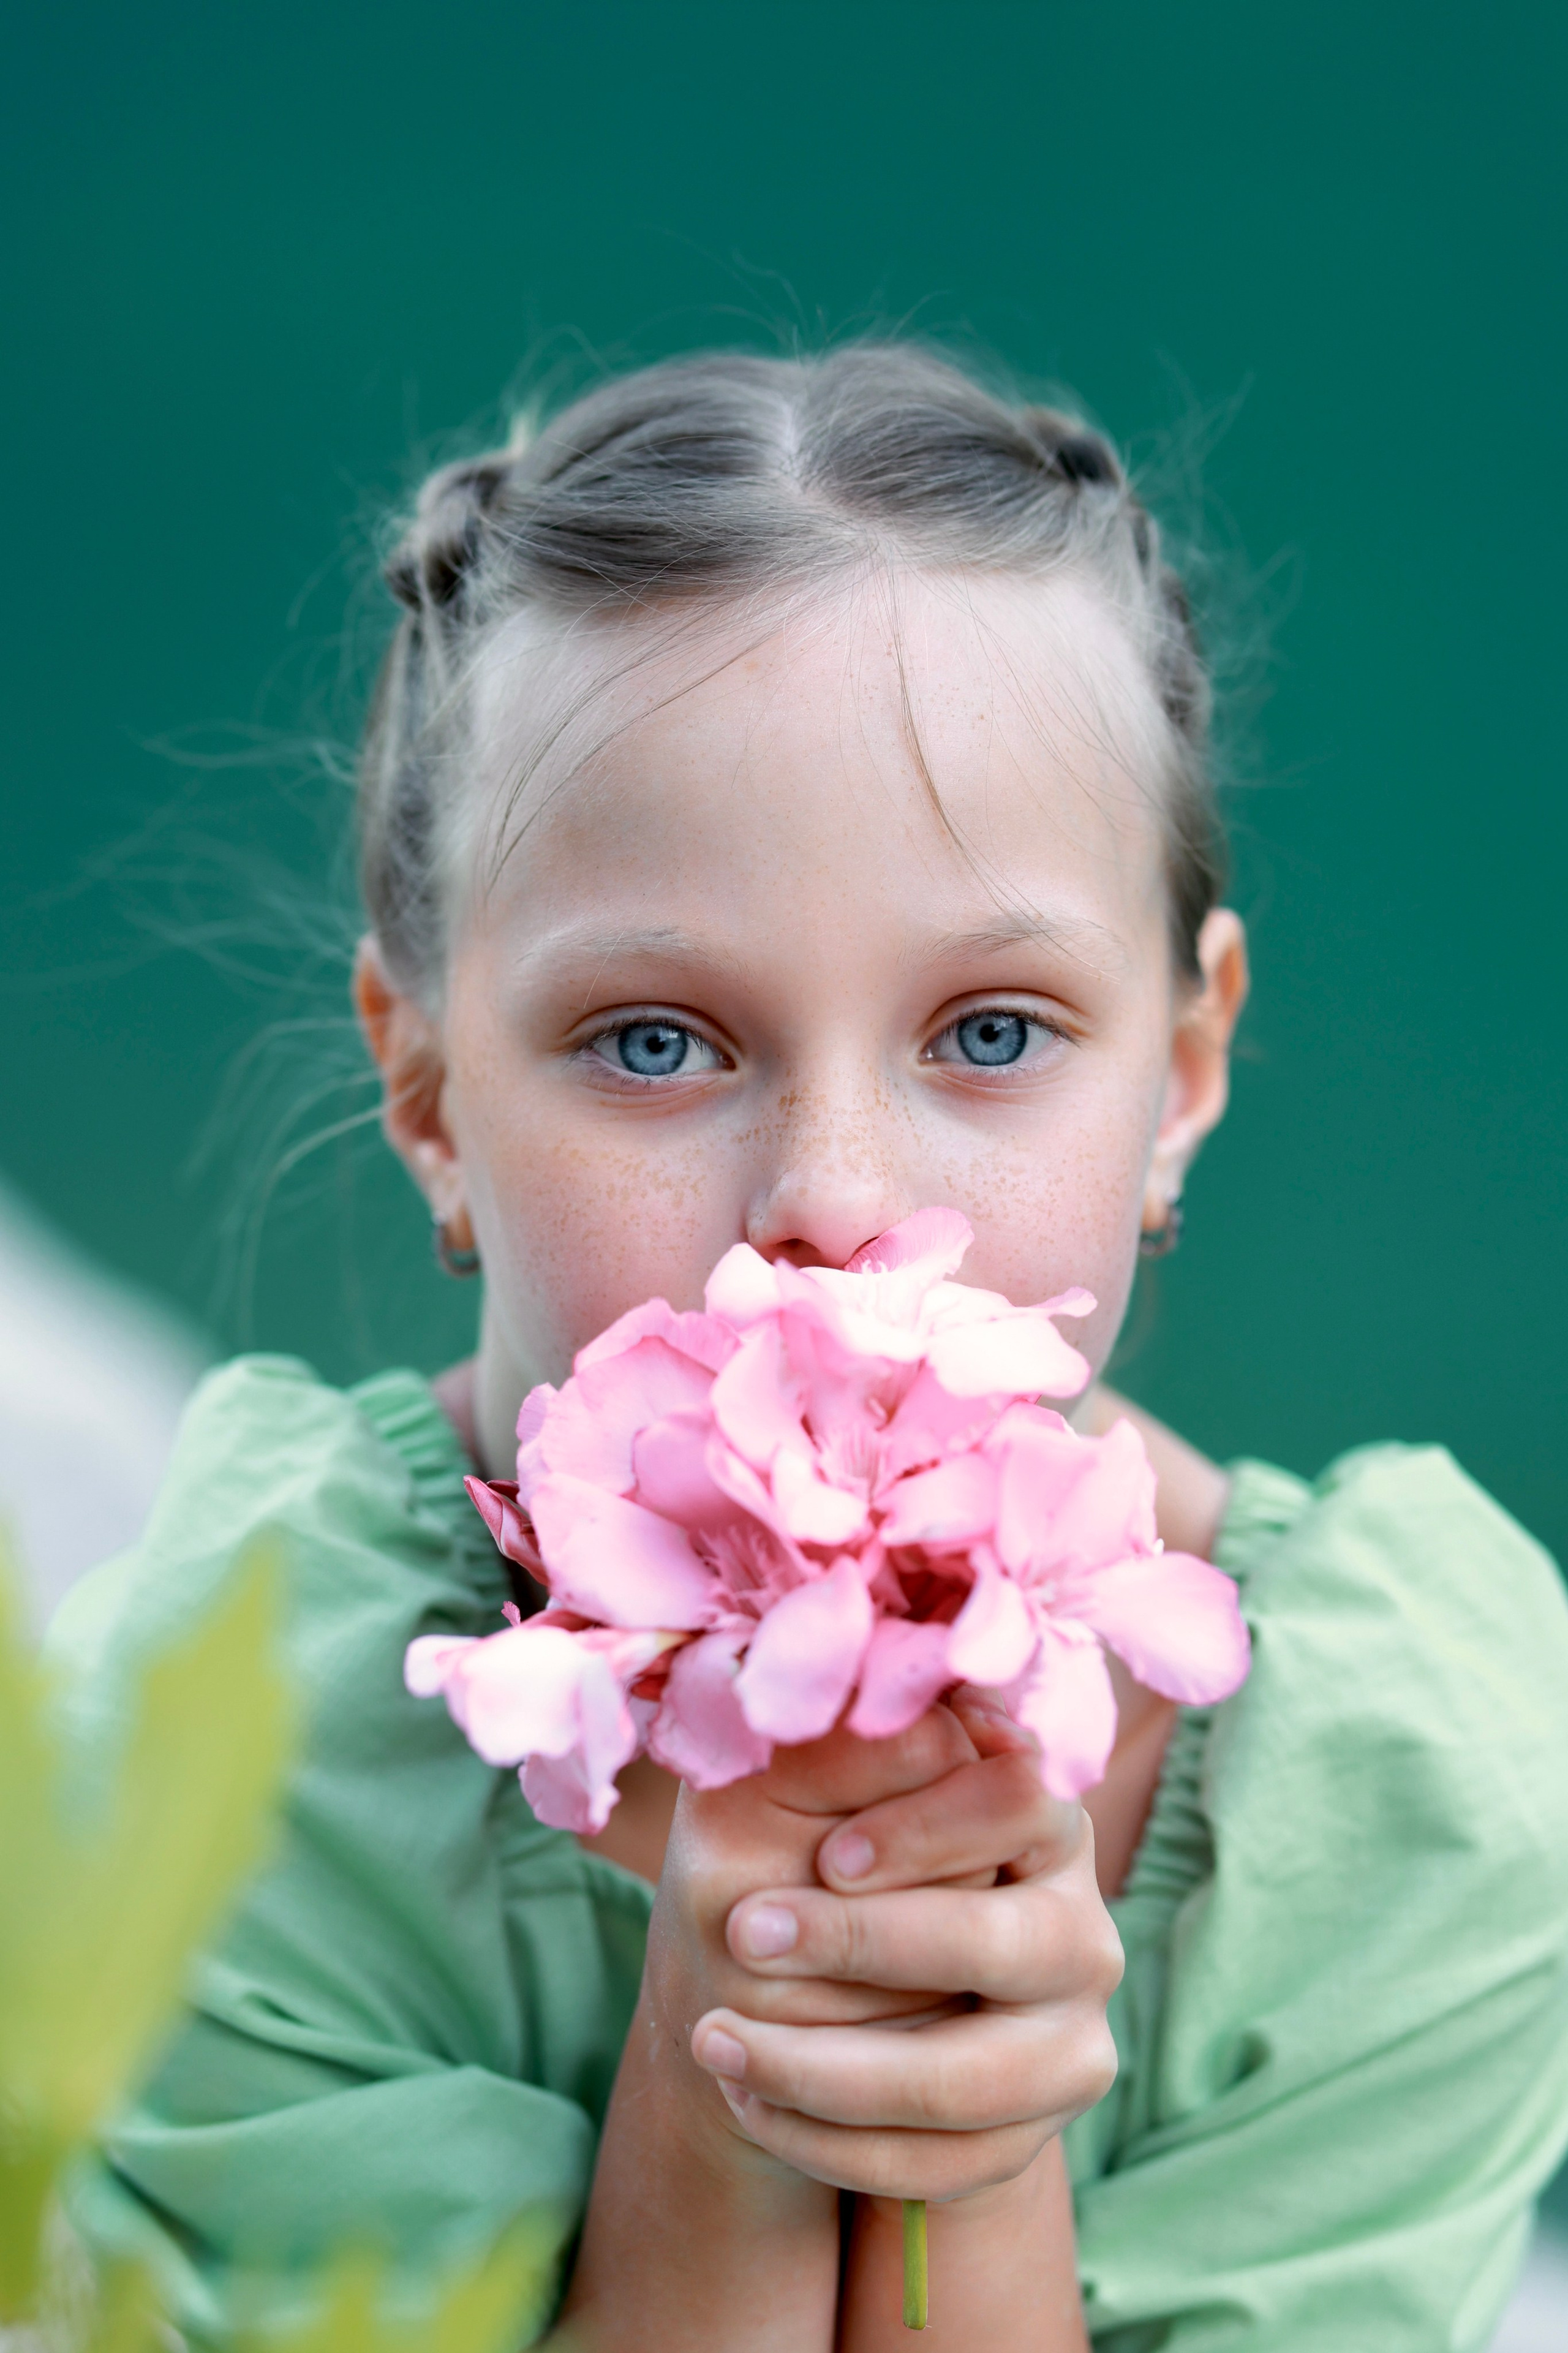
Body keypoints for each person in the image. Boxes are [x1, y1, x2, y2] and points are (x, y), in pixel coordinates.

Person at [49, 345, 1568, 2350]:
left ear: (1187, 1066)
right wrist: (724, 2064)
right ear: (423, 1087)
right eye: (656, 1043)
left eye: (993, 1031)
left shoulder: (1420, 1782)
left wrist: (983, 2136)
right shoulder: (226, 1746)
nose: (833, 1210)